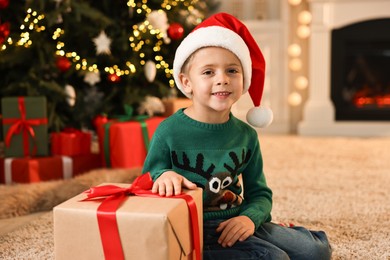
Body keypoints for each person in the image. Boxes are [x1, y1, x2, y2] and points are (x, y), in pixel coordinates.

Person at [142, 12, 332, 260]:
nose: (222, 79)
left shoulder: (246, 136)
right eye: (208, 72)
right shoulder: (169, 131)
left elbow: (260, 194)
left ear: (244, 81)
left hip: (237, 220)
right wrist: (163, 174)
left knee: (316, 251)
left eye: (232, 70)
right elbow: (145, 182)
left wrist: (249, 218)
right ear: (186, 82)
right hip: (192, 229)